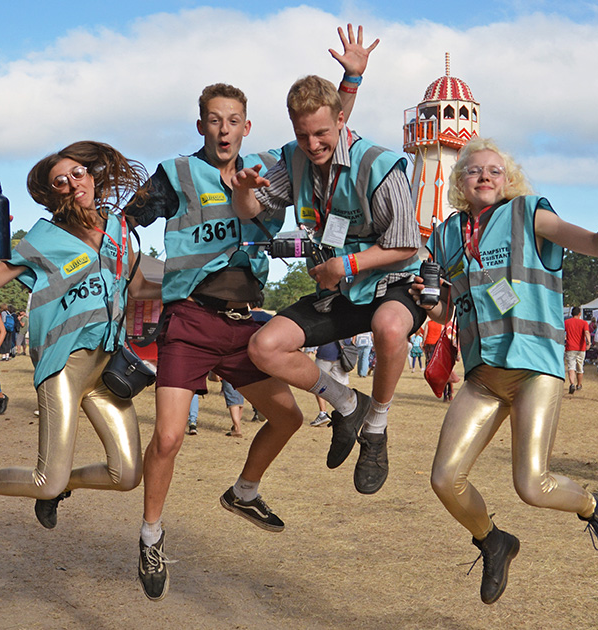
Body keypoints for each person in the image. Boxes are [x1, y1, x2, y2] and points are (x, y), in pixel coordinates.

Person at [124, 25, 378, 601]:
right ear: (201, 126)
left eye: (233, 119)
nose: (223, 129)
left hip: (243, 321)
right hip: (189, 318)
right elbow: (122, 225)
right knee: (167, 439)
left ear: (246, 126)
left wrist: (352, 78)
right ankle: (150, 534)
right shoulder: (176, 175)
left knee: (287, 418)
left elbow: (325, 133)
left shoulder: (272, 164)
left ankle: (243, 491)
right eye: (213, 119)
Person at [416, 136, 598, 604]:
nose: (484, 175)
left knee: (531, 484)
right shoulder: (444, 236)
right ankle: (493, 541)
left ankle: (595, 506)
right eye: (473, 170)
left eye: (494, 170)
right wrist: (426, 297)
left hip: (533, 368)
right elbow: (445, 312)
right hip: (483, 375)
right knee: (444, 479)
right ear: (460, 182)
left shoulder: (528, 214)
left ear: (508, 179)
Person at [0, 140, 158, 536]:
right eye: (60, 181)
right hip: (63, 366)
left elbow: (138, 285)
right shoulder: (43, 240)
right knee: (46, 478)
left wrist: (197, 290)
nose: (72, 183)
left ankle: (59, 488)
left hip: (107, 369)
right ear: (51, 193)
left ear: (92, 176)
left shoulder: (120, 230)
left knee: (126, 475)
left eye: (77, 173)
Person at [232, 74, 424, 498]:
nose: (313, 144)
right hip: (337, 289)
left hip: (391, 281)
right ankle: (347, 404)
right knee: (264, 347)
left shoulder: (380, 163)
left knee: (390, 328)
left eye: (321, 133)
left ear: (341, 120)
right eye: (303, 135)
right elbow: (251, 212)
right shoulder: (293, 160)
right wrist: (244, 191)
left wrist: (347, 263)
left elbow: (407, 240)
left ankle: (375, 431)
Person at [311, 339, 353, 426]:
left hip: (326, 351)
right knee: (342, 386)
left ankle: (323, 413)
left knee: (318, 383)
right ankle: (344, 413)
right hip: (343, 352)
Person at [564, 306, 590, 394]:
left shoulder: (566, 322)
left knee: (571, 367)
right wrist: (589, 342)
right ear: (579, 314)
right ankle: (579, 384)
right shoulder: (584, 323)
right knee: (580, 367)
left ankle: (572, 383)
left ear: (571, 314)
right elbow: (586, 332)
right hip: (581, 348)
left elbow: (561, 333)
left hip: (570, 347)